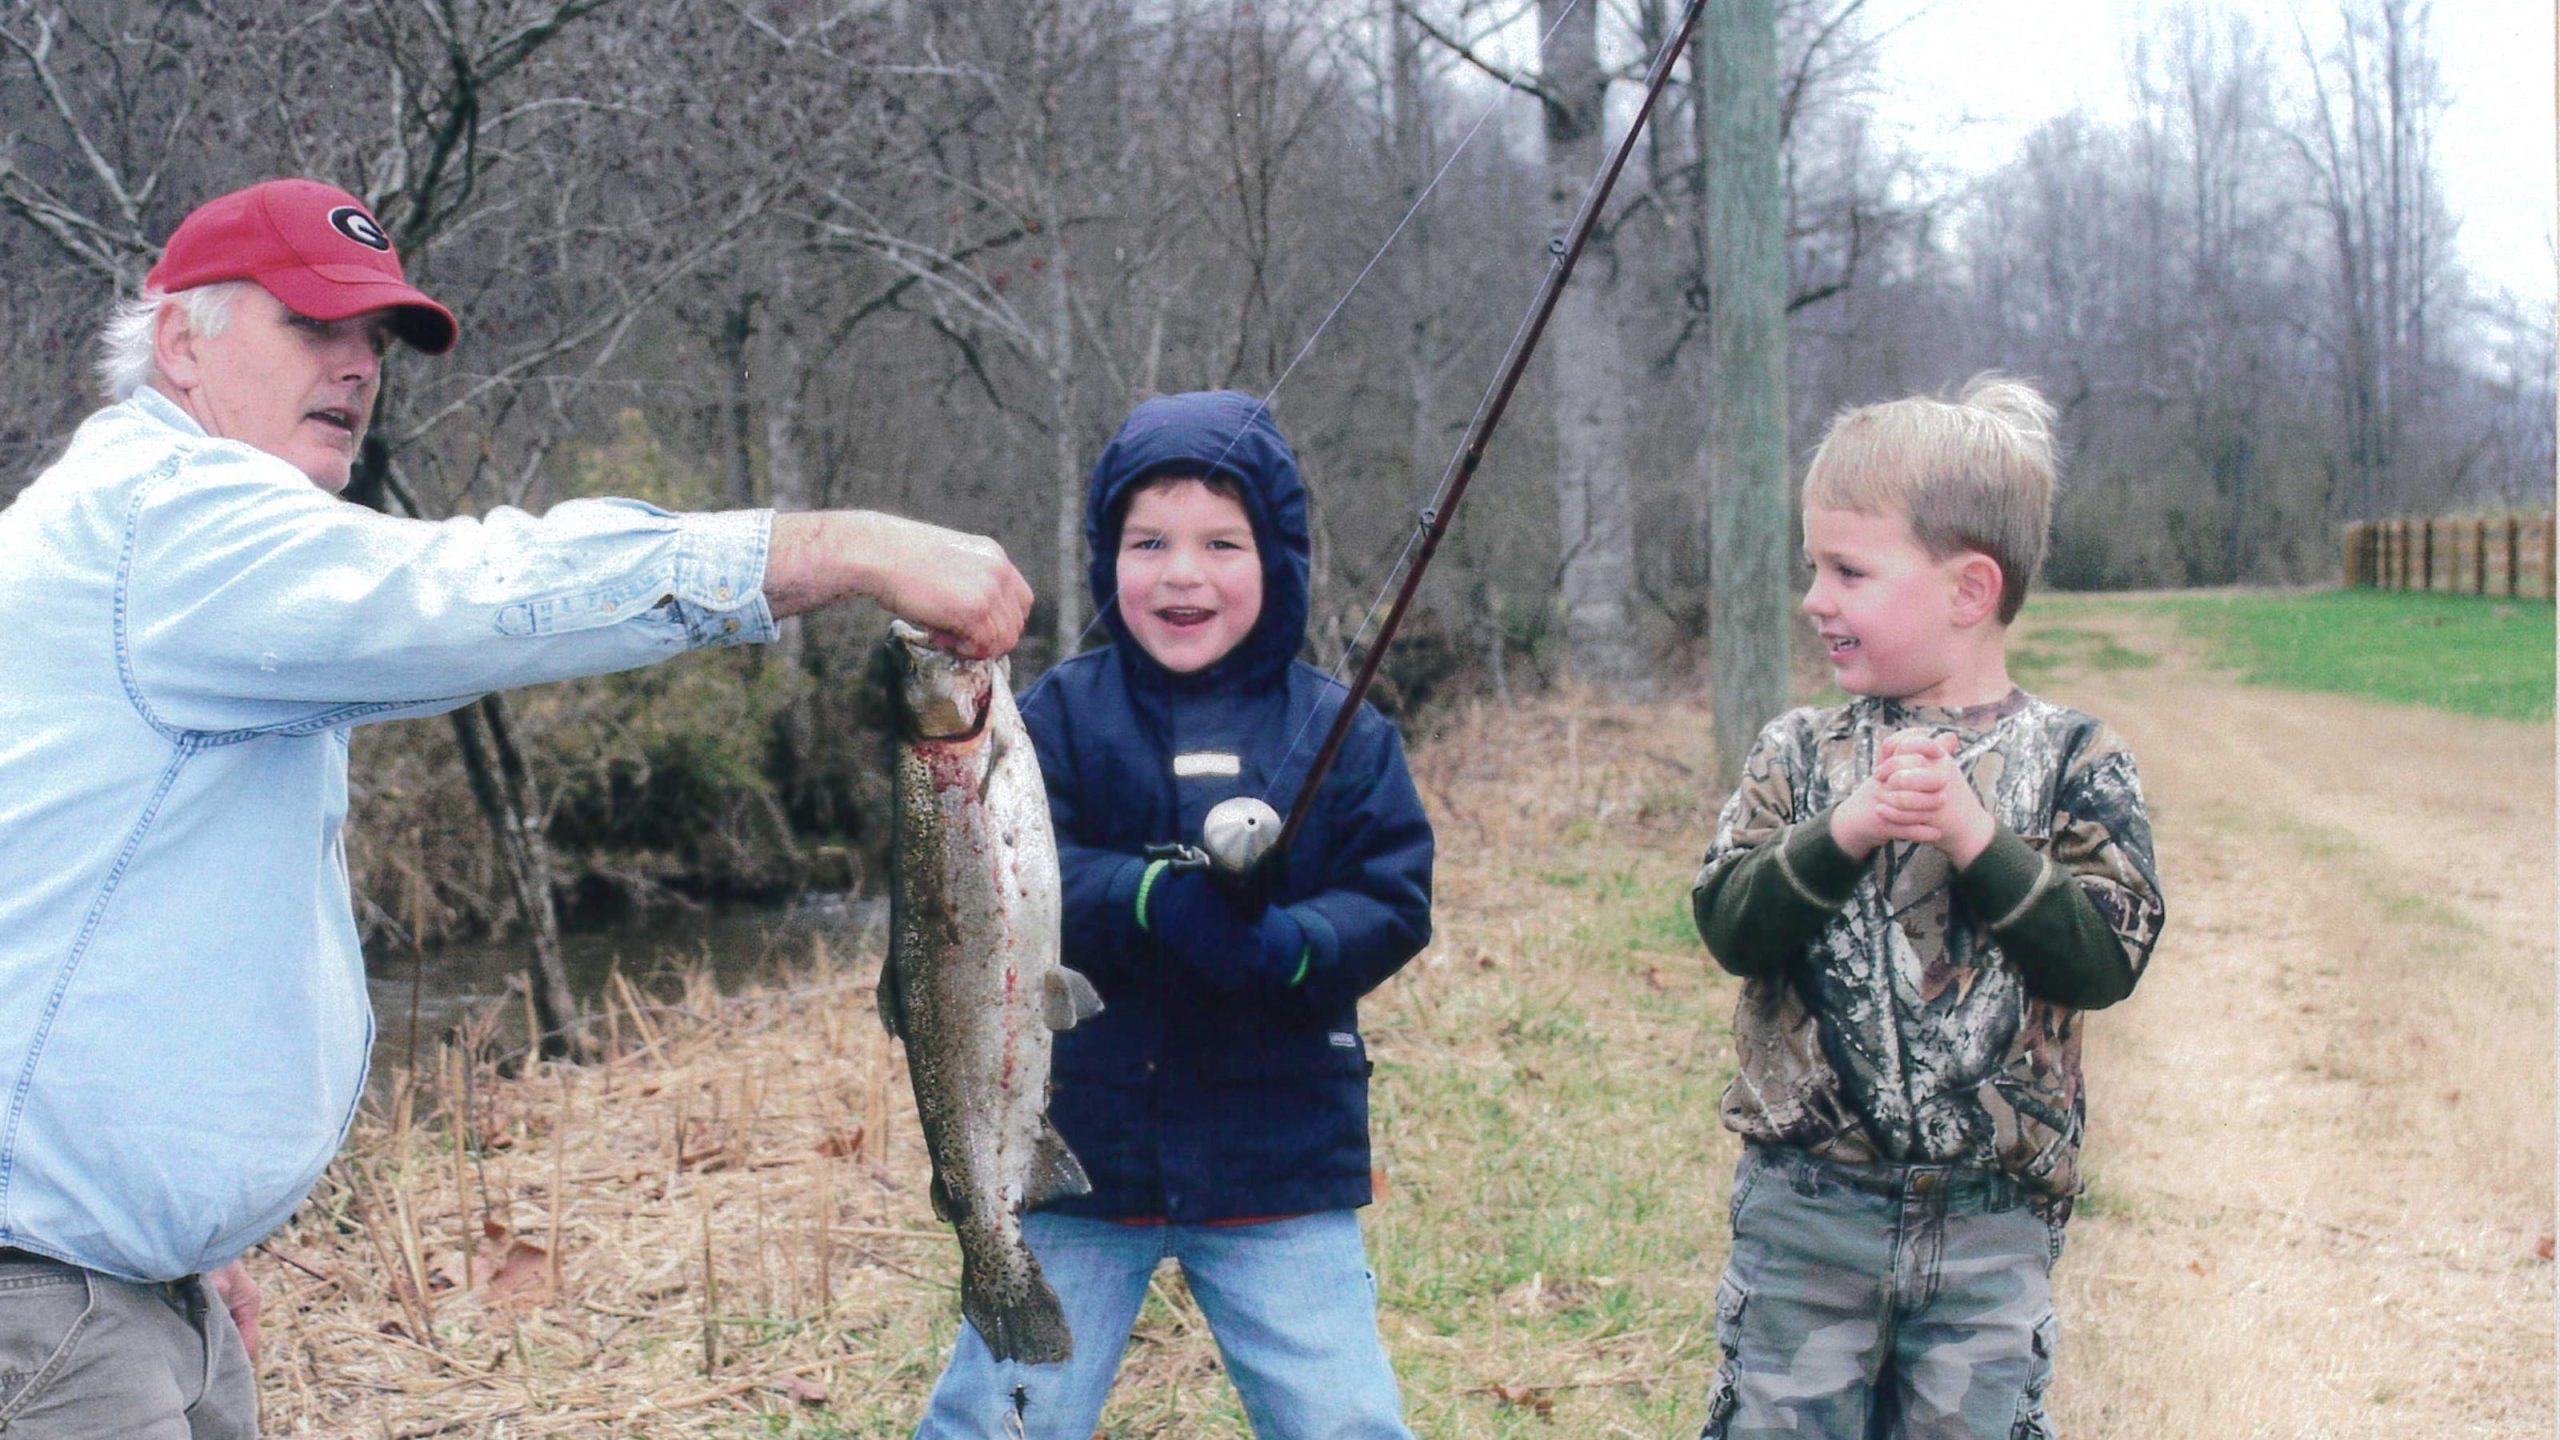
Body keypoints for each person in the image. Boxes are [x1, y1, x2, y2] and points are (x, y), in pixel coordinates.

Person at [0, 177, 1032, 1436]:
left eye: (373, 341)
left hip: (129, 1287)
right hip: (49, 1303)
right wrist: (841, 546)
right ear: (179, 341)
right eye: (312, 328)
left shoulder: (166, 550)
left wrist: (186, 1234)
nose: (356, 369)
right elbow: (480, 588)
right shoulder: (170, 525)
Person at [914, 390, 1435, 1439]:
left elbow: (1391, 896)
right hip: (1079, 1155)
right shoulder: (1049, 715)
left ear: (1278, 558)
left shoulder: (1344, 729)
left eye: (1220, 543)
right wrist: (1149, 895)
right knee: (1000, 1418)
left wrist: (1291, 947)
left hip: (1277, 1158)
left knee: (1343, 1420)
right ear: (1108, 557)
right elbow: (1006, 869)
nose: (1181, 573)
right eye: (1147, 541)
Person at [1688, 375, 2167, 1439]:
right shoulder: (1797, 753)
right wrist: (1845, 828)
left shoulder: (2075, 762)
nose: (1815, 597)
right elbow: (1729, 926)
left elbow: (2102, 962)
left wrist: (1976, 841)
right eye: (1813, 566)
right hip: (1806, 1214)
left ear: (1967, 589)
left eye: (1848, 570)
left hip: (1992, 1225)